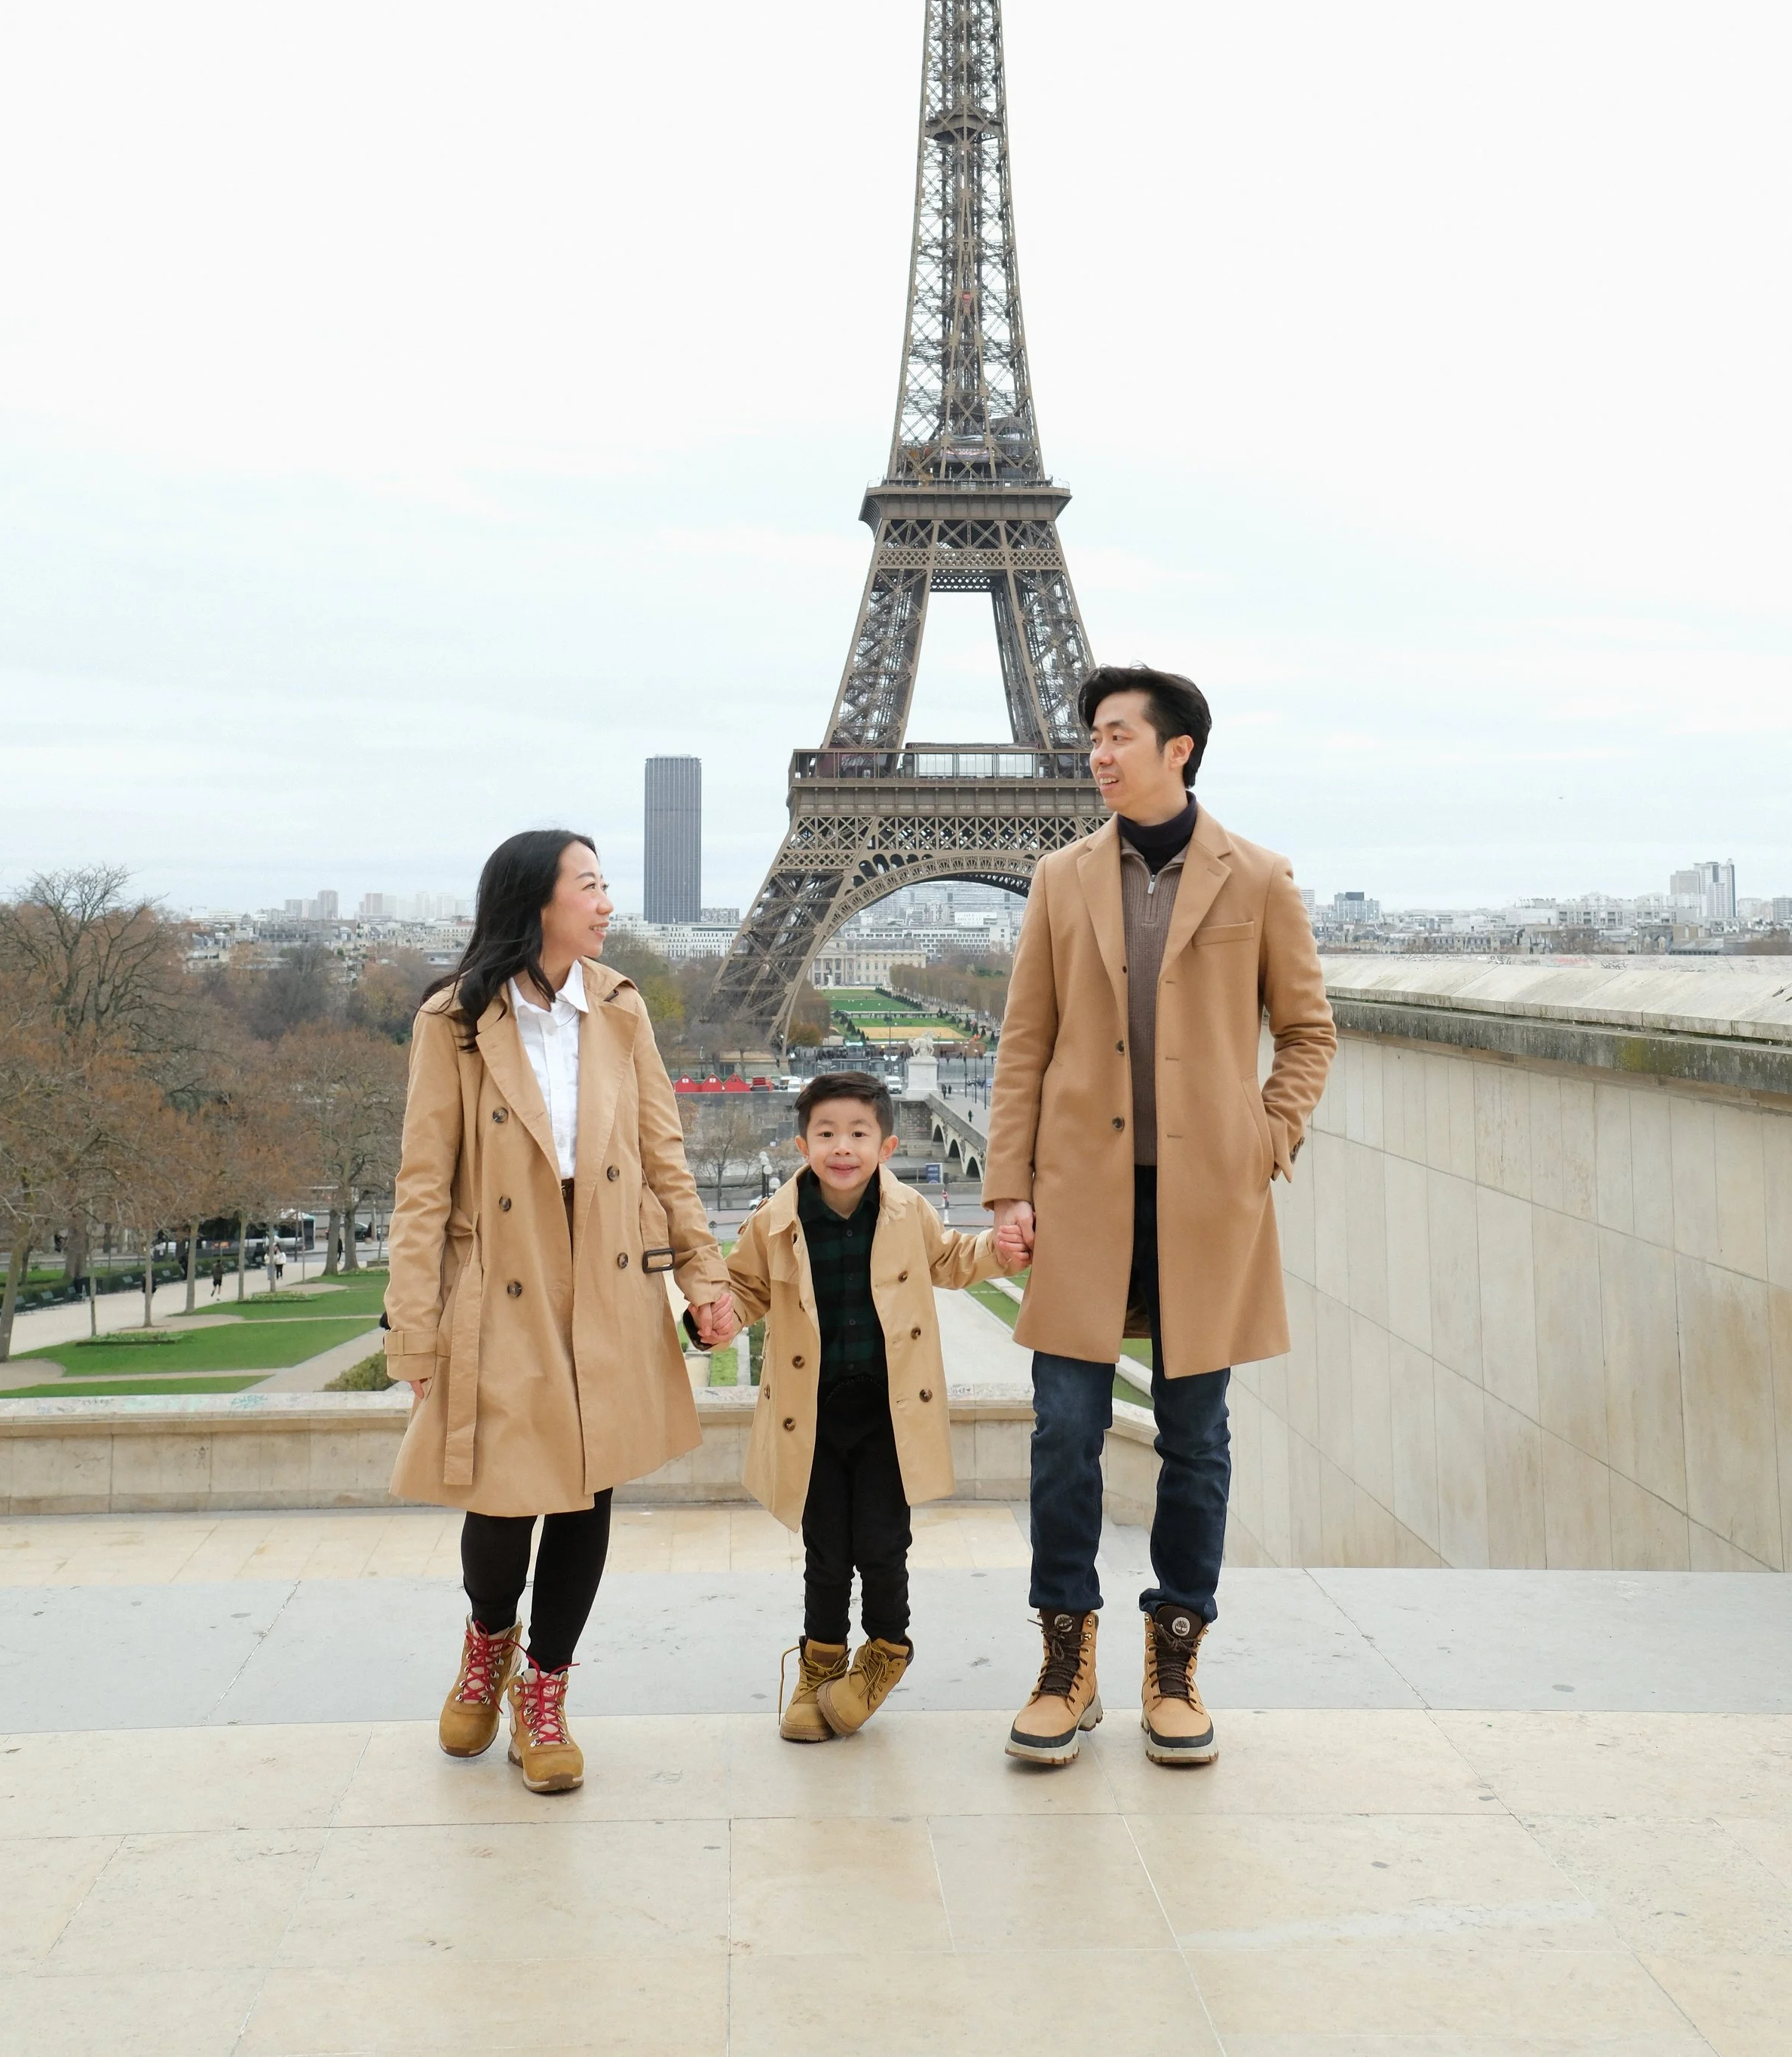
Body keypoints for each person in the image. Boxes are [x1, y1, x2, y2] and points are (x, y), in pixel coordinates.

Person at [983, 667, 1334, 1771]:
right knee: (1064, 1436)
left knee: (1195, 1440)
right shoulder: (1057, 878)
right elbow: (1024, 1042)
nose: (1099, 749)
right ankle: (1065, 1657)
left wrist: (1263, 1141)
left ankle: (1175, 1653)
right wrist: (1008, 1185)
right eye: (1093, 733)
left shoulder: (1261, 878)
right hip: (1083, 1198)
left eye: (1119, 733)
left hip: (1203, 1202)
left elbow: (1309, 1032)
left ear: (1178, 748)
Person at [385, 829, 736, 1793]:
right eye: (590, 885)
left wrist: (703, 1280)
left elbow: (664, 1157)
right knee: (503, 1496)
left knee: (591, 1488)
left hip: (611, 1270)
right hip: (507, 1273)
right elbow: (422, 1185)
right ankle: (487, 1639)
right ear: (537, 902)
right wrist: (412, 1325)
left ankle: (544, 1691)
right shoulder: (452, 1020)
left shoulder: (621, 1010)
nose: (607, 901)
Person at [724, 1072, 1000, 1743]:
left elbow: (955, 1259)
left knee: (881, 1545)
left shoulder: (909, 1212)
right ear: (801, 1143)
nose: (841, 1147)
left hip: (886, 1414)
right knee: (825, 1549)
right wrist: (718, 1315)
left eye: (858, 1133)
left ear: (887, 1144)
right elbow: (745, 1289)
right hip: (812, 1415)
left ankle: (886, 1650)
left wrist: (1005, 1249)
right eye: (826, 1134)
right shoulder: (774, 1221)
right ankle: (821, 1663)